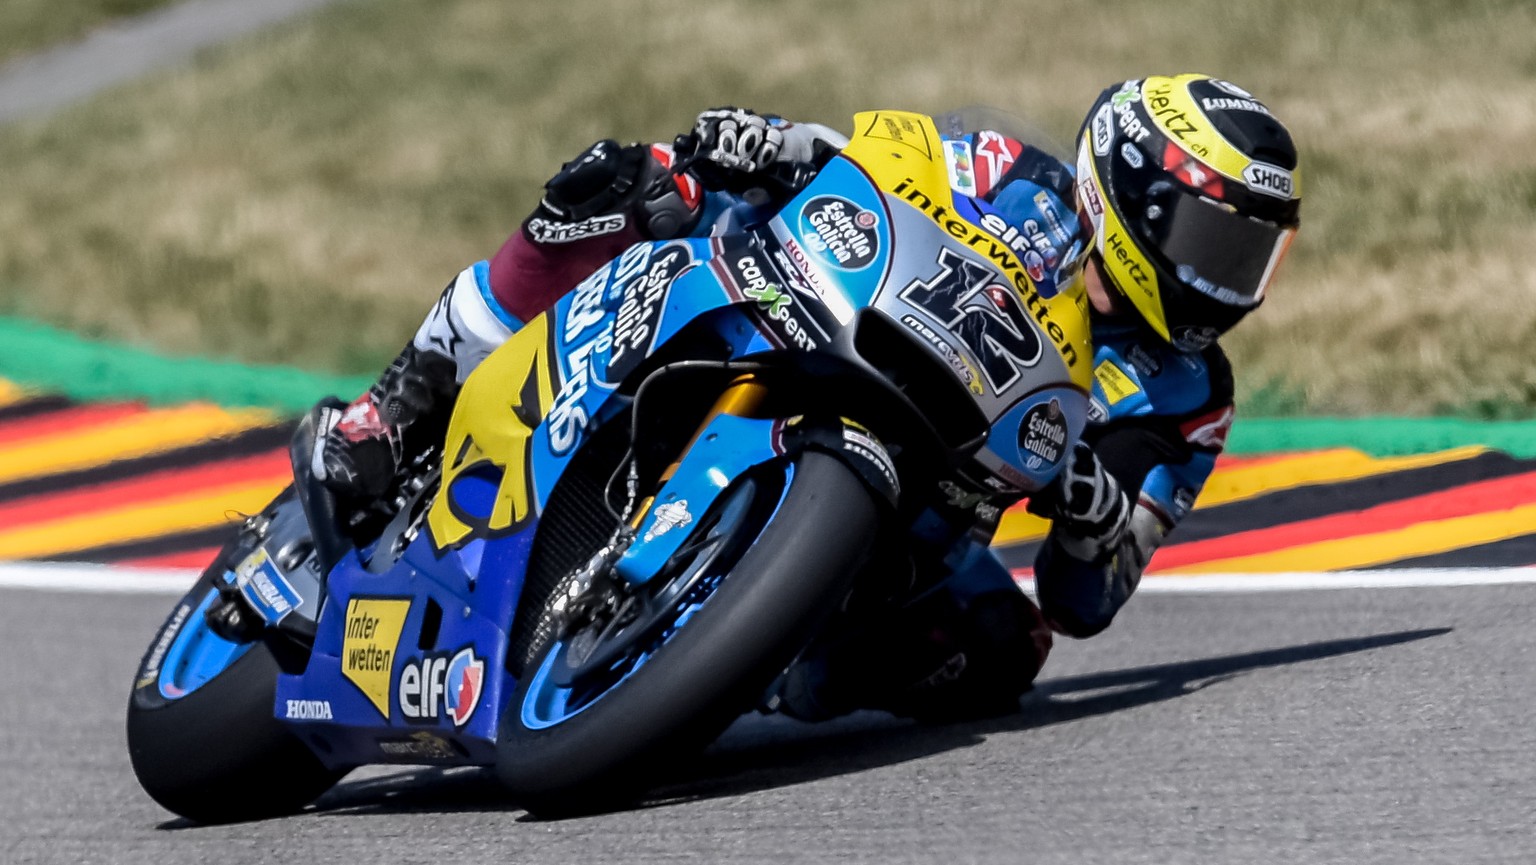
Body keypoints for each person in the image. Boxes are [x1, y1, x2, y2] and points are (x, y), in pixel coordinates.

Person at [315, 74, 1301, 721]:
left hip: (925, 510)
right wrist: (779, 144)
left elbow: (1087, 599)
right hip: (825, 324)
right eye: (1214, 245)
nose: (1224, 283)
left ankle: (748, 670)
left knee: (1006, 648)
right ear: (1133, 196)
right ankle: (399, 398)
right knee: (629, 183)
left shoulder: (1188, 396)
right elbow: (886, 157)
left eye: (1248, 258)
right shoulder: (1016, 177)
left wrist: (1094, 520)